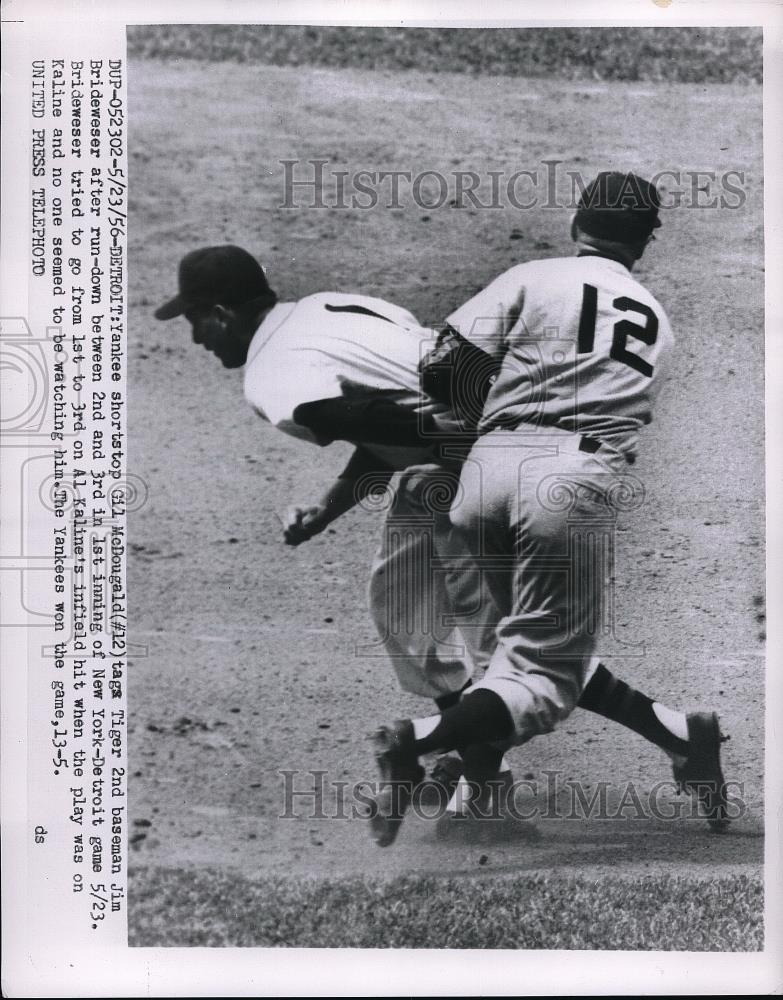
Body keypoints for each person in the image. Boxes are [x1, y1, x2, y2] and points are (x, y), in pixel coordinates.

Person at [153, 227, 727, 839]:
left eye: (195, 321)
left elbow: (388, 421)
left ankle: (482, 787)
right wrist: (326, 508)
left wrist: (459, 437)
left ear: (221, 313)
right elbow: (400, 426)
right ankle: (670, 735)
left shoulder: (270, 377)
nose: (195, 337)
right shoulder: (325, 307)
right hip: (459, 451)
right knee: (402, 608)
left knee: (509, 649)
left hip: (489, 462)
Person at [367, 171, 730, 847]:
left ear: (575, 222)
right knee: (541, 673)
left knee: (515, 648)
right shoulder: (654, 319)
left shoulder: (531, 275)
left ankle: (680, 735)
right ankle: (418, 744)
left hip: (482, 476)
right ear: (645, 242)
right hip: (569, 482)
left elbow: (442, 371)